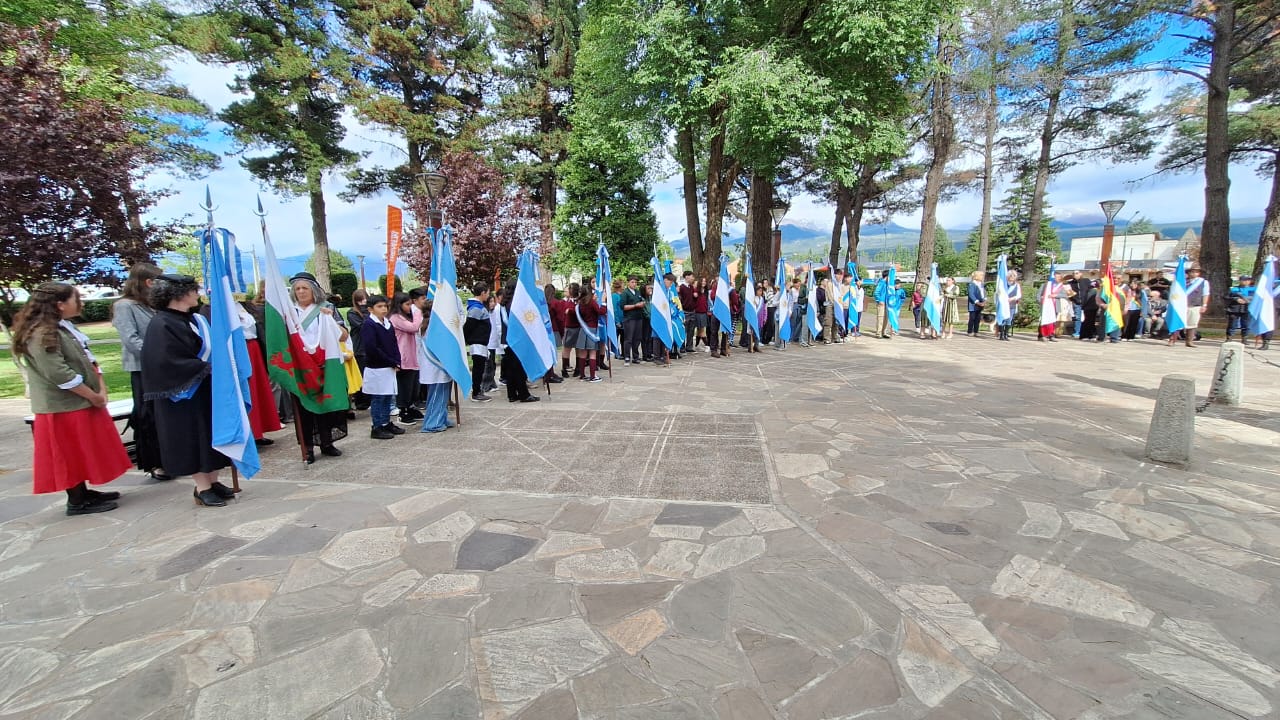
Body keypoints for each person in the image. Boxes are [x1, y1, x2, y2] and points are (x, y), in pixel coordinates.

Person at [14, 283, 131, 515]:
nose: (80, 303)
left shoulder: (61, 328)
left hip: (77, 403)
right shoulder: (42, 333)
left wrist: (100, 389)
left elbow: (87, 359)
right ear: (60, 304)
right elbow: (58, 373)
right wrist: (92, 395)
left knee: (80, 450)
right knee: (68, 453)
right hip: (62, 406)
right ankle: (76, 501)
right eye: (75, 299)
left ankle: (83, 493)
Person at [139, 274, 235, 506]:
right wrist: (205, 367)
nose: (197, 294)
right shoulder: (162, 323)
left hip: (204, 389)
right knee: (193, 440)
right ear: (178, 294)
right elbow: (165, 361)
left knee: (210, 436)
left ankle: (213, 480)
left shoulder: (194, 319)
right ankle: (202, 488)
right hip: (181, 395)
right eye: (193, 290)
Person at [111, 262, 171, 481]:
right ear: (148, 282)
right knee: (148, 415)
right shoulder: (125, 306)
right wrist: (157, 355)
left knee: (164, 415)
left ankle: (169, 457)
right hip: (143, 368)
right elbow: (131, 339)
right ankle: (154, 461)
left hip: (162, 367)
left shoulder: (151, 305)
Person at [285, 272, 349, 462]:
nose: (301, 292)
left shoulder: (326, 308)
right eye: (297, 289)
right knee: (304, 408)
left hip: (324, 365)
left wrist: (331, 322)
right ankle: (307, 447)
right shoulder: (289, 312)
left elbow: (344, 336)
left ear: (313, 290)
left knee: (326, 404)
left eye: (304, 288)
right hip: (302, 368)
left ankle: (327, 442)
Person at [359, 295, 403, 440]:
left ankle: (385, 422)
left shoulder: (387, 323)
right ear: (370, 309)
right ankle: (377, 426)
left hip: (389, 366)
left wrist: (397, 360)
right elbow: (372, 348)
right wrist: (390, 361)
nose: (384, 309)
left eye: (385, 306)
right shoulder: (369, 325)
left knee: (388, 395)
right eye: (379, 306)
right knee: (379, 397)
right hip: (377, 367)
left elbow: (394, 343)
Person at [499, 280, 540, 402]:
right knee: (518, 368)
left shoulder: (504, 303)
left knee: (511, 369)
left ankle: (512, 394)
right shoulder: (515, 303)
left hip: (507, 339)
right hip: (516, 339)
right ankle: (523, 394)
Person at [389, 291, 423, 421]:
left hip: (412, 355)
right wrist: (418, 312)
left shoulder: (406, 316)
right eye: (407, 304)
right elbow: (413, 327)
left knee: (414, 385)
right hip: (403, 356)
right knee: (405, 385)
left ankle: (411, 406)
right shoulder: (395, 317)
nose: (410, 307)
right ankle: (403, 410)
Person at [463, 282, 495, 400]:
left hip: (481, 342)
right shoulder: (476, 308)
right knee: (478, 368)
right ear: (482, 293)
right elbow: (469, 325)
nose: (488, 295)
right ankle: (476, 392)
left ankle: (477, 390)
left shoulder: (479, 306)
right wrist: (466, 339)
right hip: (478, 342)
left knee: (480, 368)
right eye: (487, 293)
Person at [572, 282, 606, 381]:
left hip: (583, 329)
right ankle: (592, 376)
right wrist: (603, 302)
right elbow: (601, 311)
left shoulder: (580, 303)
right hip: (592, 329)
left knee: (583, 353)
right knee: (592, 353)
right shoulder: (591, 302)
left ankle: (582, 375)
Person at [1172, 266, 1210, 347]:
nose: (1194, 273)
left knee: (1192, 323)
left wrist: (1204, 305)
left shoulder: (1203, 282)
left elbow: (1205, 294)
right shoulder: (1182, 281)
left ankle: (1189, 341)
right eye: (1192, 272)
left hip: (1195, 305)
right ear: (1188, 273)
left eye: (1196, 272)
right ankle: (1172, 340)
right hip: (1181, 305)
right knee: (1177, 322)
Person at [346, 289, 371, 411]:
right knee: (362, 375)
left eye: (365, 299)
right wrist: (365, 310)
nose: (363, 302)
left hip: (370, 347)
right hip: (360, 348)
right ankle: (361, 402)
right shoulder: (352, 313)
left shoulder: (371, 311)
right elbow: (363, 326)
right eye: (360, 300)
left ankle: (370, 399)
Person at [620, 275, 646, 365]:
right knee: (629, 338)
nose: (634, 284)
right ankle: (627, 357)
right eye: (632, 282)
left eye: (635, 282)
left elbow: (641, 300)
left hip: (638, 317)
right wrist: (635, 306)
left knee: (637, 338)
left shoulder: (637, 292)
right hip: (629, 318)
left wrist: (642, 303)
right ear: (628, 283)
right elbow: (623, 307)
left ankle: (636, 356)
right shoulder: (625, 293)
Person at [543, 284, 566, 383]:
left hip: (544, 330)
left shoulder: (541, 302)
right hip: (554, 329)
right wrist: (562, 332)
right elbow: (560, 319)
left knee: (547, 353)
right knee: (551, 353)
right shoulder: (556, 303)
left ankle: (549, 373)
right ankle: (550, 374)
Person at [1226, 275, 1255, 342]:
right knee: (1232, 324)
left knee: (1246, 325)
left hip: (1247, 309)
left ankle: (1244, 339)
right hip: (1235, 309)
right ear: (1240, 281)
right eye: (1244, 280)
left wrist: (1247, 300)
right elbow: (1226, 297)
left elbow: (1256, 298)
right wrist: (1236, 299)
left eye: (1248, 280)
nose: (1247, 281)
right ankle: (1229, 338)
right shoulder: (1234, 289)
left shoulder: (1253, 289)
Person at [997, 270, 1020, 341]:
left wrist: (1012, 298)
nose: (1012, 277)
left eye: (1014, 276)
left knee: (1009, 320)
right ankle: (1001, 334)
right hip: (1003, 305)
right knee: (1003, 319)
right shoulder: (1003, 284)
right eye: (1010, 276)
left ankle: (1006, 334)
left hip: (1011, 304)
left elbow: (1019, 295)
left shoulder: (1017, 285)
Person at [966, 271, 986, 336]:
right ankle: (969, 331)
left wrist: (984, 300)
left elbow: (984, 292)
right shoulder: (972, 284)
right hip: (973, 304)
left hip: (981, 303)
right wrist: (977, 302)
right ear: (977, 276)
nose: (982, 277)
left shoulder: (981, 284)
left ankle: (976, 331)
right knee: (972, 318)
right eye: (981, 275)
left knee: (978, 318)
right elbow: (971, 294)